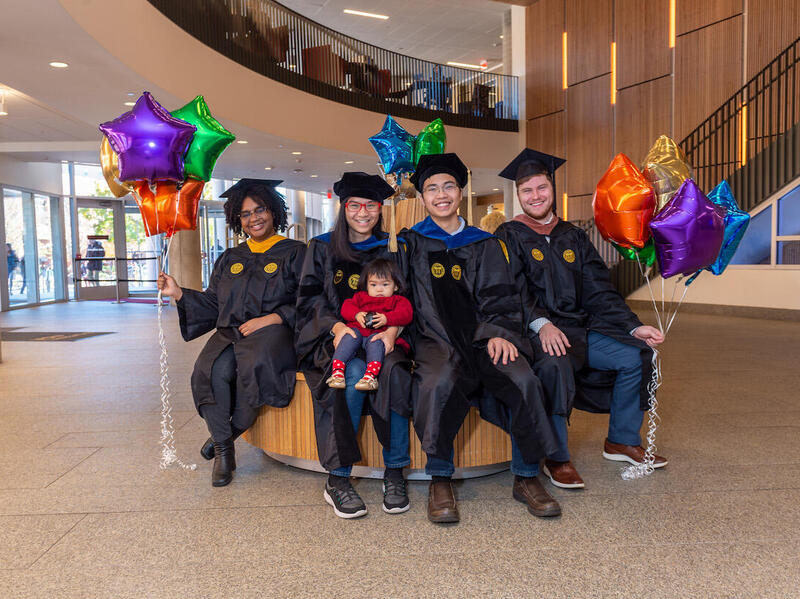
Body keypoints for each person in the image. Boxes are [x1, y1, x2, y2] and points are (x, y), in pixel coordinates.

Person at [402, 153, 561, 524]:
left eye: (449, 186)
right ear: (422, 198)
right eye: (432, 189)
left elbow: (501, 293)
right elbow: (402, 297)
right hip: (436, 340)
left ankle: (527, 476)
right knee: (437, 382)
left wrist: (498, 332)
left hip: (483, 339)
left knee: (523, 378)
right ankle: (440, 478)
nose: (441, 195)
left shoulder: (486, 243)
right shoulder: (410, 244)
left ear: (461, 192)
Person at [494, 148, 667, 490]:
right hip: (536, 332)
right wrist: (542, 324)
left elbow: (599, 290)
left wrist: (633, 326)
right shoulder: (508, 235)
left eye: (541, 188)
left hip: (580, 330)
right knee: (555, 365)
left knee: (636, 355)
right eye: (527, 191)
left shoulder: (573, 235)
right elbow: (512, 291)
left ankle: (621, 440)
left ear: (552, 189)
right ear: (519, 195)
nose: (535, 196)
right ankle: (556, 456)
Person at [158, 179, 306, 487]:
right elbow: (215, 302)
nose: (254, 219)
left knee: (256, 367)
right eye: (245, 214)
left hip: (275, 333)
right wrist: (178, 293)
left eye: (260, 210)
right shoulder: (230, 258)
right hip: (232, 332)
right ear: (238, 219)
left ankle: (224, 437)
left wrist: (274, 318)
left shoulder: (295, 253)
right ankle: (225, 452)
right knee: (208, 371)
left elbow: (310, 301)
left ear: (273, 211)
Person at [296, 172, 413, 519]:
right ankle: (338, 477)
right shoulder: (321, 248)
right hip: (337, 339)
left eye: (371, 205)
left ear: (380, 209)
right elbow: (308, 299)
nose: (363, 213)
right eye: (354, 205)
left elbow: (411, 299)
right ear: (343, 208)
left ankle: (395, 471)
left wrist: (393, 331)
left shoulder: (393, 249)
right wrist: (335, 327)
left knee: (393, 374)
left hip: (386, 337)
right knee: (350, 374)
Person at [328, 258, 413, 392]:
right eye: (373, 285)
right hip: (358, 332)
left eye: (385, 284)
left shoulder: (397, 300)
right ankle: (337, 372)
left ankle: (370, 376)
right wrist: (356, 314)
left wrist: (387, 318)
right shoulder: (360, 297)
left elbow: (406, 314)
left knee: (376, 343)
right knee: (349, 336)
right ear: (367, 285)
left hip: (378, 335)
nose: (379, 289)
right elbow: (345, 308)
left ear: (396, 286)